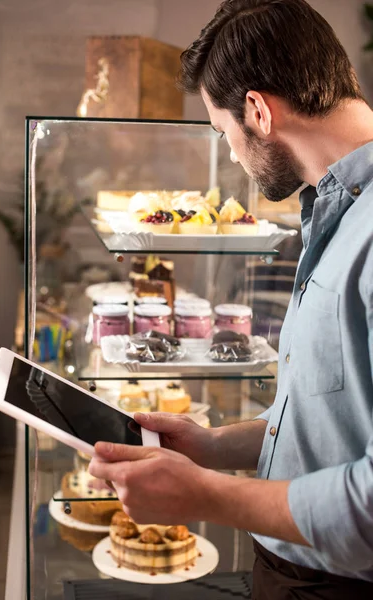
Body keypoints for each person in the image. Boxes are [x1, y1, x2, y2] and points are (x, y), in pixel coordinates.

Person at [89, 1, 373, 597]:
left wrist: (204, 495)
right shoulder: (334, 212)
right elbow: (326, 422)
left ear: (257, 111)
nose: (236, 159)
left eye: (225, 134)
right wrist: (213, 447)